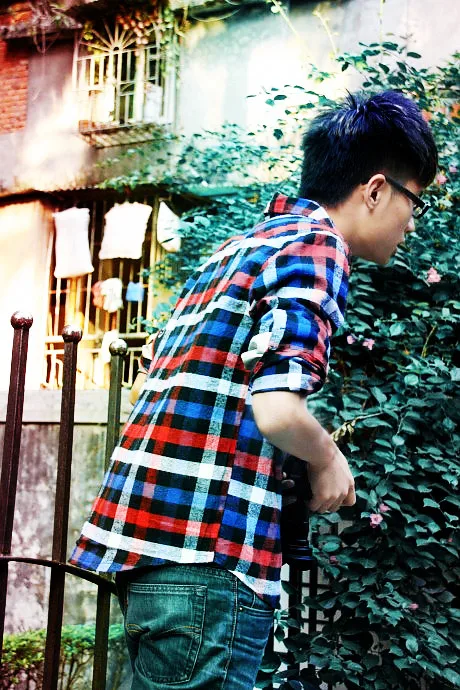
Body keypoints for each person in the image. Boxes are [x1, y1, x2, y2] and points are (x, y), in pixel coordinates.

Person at [70, 90, 437, 690]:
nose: (413, 223)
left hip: (153, 554)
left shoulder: (242, 246)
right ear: (375, 190)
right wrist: (328, 458)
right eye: (414, 201)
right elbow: (277, 410)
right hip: (211, 561)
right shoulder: (319, 247)